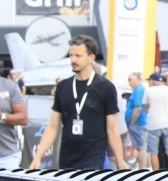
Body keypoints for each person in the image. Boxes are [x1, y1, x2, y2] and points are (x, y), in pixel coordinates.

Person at [29, 36, 125, 171]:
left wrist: (120, 162)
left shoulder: (105, 87)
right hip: (67, 160)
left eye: (78, 56)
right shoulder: (63, 87)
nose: (73, 60)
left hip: (94, 160)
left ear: (91, 57)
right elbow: (53, 127)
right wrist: (38, 157)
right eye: (71, 55)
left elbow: (112, 129)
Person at [145, 69, 168, 170]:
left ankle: (156, 173)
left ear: (153, 81)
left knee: (153, 152)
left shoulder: (149, 91)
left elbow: (146, 108)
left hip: (153, 125)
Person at [124, 72, 149, 167]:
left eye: (130, 79)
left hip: (138, 123)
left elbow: (138, 108)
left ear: (137, 79)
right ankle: (141, 167)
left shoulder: (139, 89)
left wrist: (131, 123)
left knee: (141, 147)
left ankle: (141, 169)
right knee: (140, 147)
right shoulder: (138, 89)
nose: (129, 82)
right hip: (137, 123)